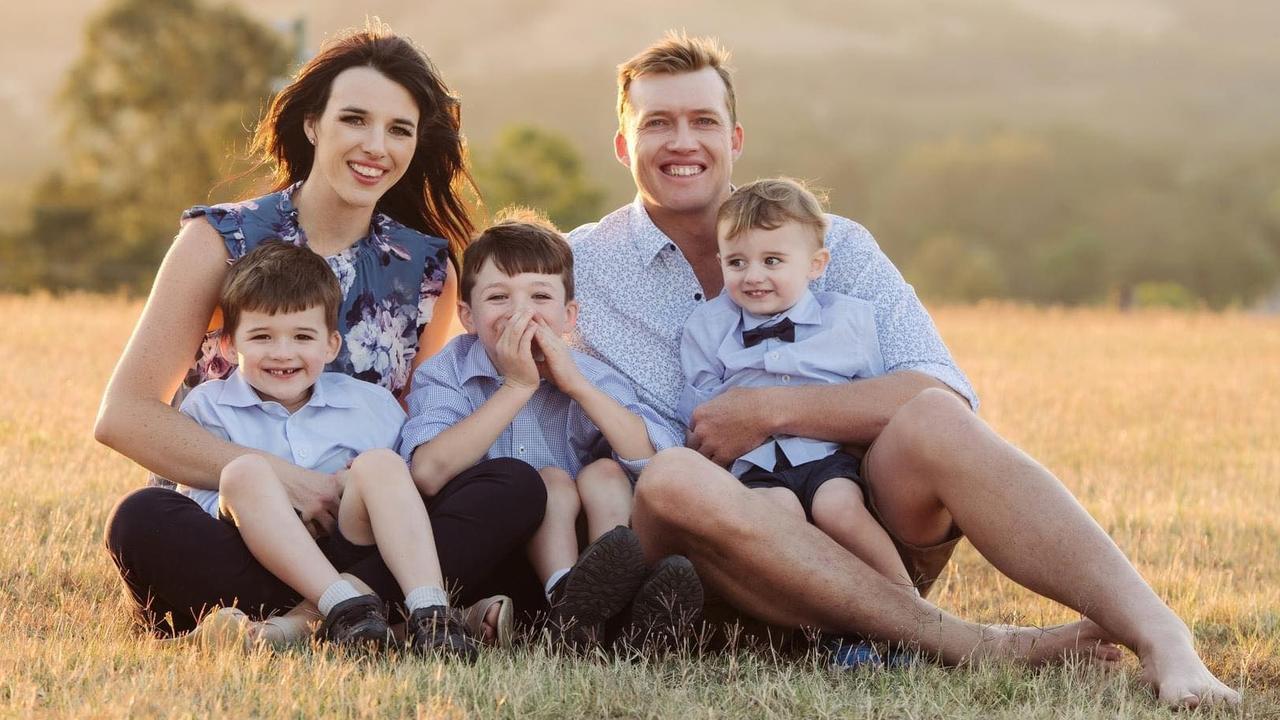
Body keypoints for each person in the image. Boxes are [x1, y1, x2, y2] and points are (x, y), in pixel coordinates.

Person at [567, 32, 1239, 707]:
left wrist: (770, 409)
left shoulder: (837, 245)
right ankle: (971, 643)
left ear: (735, 138)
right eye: (658, 122)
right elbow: (479, 319)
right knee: (673, 476)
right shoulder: (577, 269)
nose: (683, 141)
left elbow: (937, 385)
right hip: (719, 554)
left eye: (703, 121)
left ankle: (1164, 640)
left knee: (934, 416)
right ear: (624, 145)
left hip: (857, 525)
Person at [99, 25, 544, 645]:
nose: (375, 146)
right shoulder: (219, 241)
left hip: (362, 526)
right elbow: (124, 415)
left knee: (514, 488)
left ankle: (305, 625)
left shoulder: (426, 267)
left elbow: (409, 427)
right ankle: (387, 611)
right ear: (313, 124)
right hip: (238, 529)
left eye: (399, 129)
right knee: (142, 520)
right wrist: (279, 477)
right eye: (355, 119)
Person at [399, 215, 697, 647]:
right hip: (489, 559)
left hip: (576, 540)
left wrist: (577, 386)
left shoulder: (589, 374)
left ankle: (607, 600)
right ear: (467, 315)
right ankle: (568, 598)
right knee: (549, 481)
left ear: (569, 315)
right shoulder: (448, 371)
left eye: (540, 295)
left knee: (605, 473)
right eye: (498, 297)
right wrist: (518, 387)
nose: (522, 312)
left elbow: (652, 459)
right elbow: (427, 472)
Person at [177, 240, 476, 657]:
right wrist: (277, 494)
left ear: (331, 345)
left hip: (354, 548)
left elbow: (403, 500)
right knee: (241, 472)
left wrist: (350, 482)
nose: (283, 353)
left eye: (303, 336)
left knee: (382, 464)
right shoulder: (207, 406)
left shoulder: (371, 404)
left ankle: (431, 613)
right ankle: (344, 608)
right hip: (258, 553)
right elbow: (204, 503)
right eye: (262, 336)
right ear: (229, 345)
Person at [679, 179, 915, 601]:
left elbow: (868, 399)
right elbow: (703, 405)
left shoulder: (847, 321)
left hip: (826, 456)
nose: (754, 276)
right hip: (754, 466)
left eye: (772, 261)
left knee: (838, 507)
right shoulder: (708, 326)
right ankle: (831, 613)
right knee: (779, 516)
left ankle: (909, 603)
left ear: (815, 264)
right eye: (736, 263)